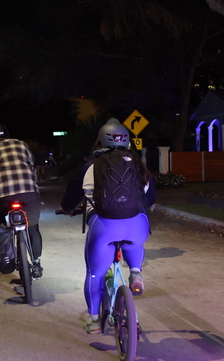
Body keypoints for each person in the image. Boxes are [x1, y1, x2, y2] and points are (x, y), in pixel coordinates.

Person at [59, 118, 156, 334]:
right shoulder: (138, 165)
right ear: (127, 141)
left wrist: (67, 209)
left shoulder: (90, 167)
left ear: (100, 141)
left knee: (95, 274)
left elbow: (71, 197)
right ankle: (136, 273)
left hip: (104, 227)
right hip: (137, 225)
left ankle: (94, 319)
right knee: (134, 242)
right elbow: (151, 197)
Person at [0, 123, 44, 278]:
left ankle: (6, 253)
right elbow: (31, 167)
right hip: (28, 192)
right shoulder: (21, 145)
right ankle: (36, 264)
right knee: (33, 227)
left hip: (2, 196)